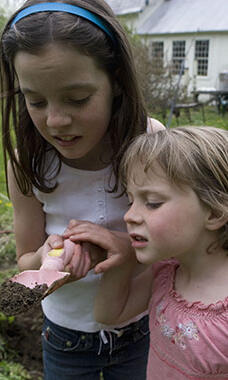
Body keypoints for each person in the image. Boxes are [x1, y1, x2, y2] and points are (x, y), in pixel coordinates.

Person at [0, 0, 164, 379]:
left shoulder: (150, 142)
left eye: (78, 99)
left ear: (117, 82)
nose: (56, 120)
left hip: (145, 329)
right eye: (35, 100)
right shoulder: (29, 163)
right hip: (66, 341)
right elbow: (25, 257)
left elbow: (176, 242)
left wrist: (125, 248)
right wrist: (48, 258)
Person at [89, 126, 228, 379]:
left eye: (152, 202)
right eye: (131, 200)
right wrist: (122, 258)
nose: (129, 216)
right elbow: (108, 314)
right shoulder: (166, 272)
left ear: (215, 212)